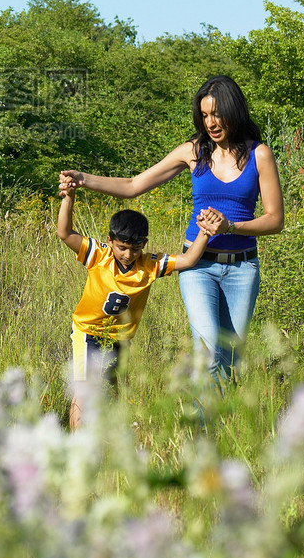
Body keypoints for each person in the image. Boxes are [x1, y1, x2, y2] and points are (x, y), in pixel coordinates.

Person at [60, 75, 284, 387]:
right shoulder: (193, 151)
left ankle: (222, 429)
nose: (210, 123)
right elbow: (133, 186)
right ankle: (201, 433)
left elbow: (275, 220)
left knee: (230, 359)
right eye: (204, 115)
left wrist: (231, 226)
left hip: (243, 268)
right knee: (206, 352)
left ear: (233, 111)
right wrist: (83, 179)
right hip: (199, 266)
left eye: (216, 114)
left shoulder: (259, 155)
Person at [58, 178, 211, 428]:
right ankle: (79, 446)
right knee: (84, 390)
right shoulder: (98, 254)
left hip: (121, 337)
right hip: (89, 333)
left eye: (135, 248)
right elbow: (64, 233)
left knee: (114, 389)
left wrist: (205, 232)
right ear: (111, 240)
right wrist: (69, 198)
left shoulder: (150, 264)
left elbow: (188, 260)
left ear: (145, 244)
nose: (128, 255)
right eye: (122, 248)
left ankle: (115, 442)